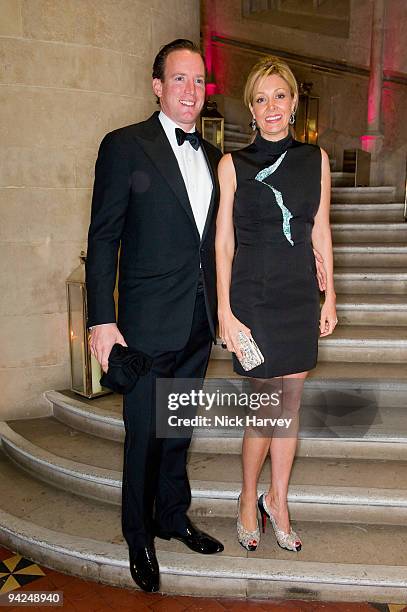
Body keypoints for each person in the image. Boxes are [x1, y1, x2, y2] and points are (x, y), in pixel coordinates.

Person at [85, 39, 224, 593]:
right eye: (180, 79)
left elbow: (220, 244)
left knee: (178, 429)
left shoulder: (215, 157)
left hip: (197, 320)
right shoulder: (125, 146)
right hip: (143, 324)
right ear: (158, 86)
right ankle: (138, 533)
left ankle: (172, 515)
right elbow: (103, 238)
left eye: (199, 80)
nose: (191, 91)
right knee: (143, 433)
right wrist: (102, 318)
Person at [215, 56, 336, 553]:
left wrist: (331, 296)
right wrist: (224, 310)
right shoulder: (232, 164)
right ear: (251, 107)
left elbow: (320, 228)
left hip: (298, 295)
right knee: (264, 411)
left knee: (290, 409)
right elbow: (223, 243)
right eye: (260, 98)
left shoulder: (317, 160)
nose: (271, 107)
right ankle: (248, 498)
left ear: (293, 103)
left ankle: (277, 500)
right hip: (254, 297)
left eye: (279, 96)